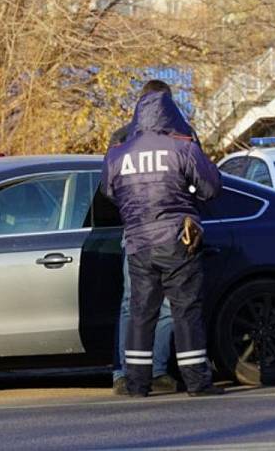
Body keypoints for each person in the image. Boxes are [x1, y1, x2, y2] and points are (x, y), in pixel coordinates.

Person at [101, 85, 224, 398]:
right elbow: (210, 187)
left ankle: (137, 384)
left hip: (138, 242)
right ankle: (197, 382)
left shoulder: (120, 150)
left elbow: (109, 191)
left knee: (141, 313)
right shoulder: (181, 145)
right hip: (177, 239)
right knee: (185, 310)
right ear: (169, 108)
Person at [108, 80, 187, 396]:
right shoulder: (180, 137)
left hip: (135, 234)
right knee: (165, 304)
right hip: (172, 232)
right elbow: (200, 182)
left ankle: (125, 374)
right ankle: (155, 372)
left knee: (131, 304)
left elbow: (110, 188)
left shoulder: (121, 139)